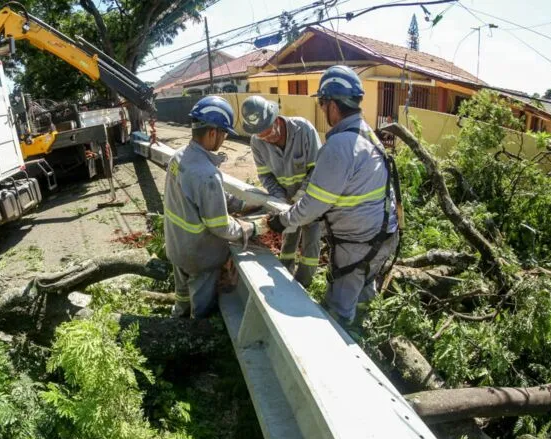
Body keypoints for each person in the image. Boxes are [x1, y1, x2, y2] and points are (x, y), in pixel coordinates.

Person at [266, 66, 400, 323]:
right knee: (363, 291)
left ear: (332, 105)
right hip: (383, 237)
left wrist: (281, 221)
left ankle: (346, 346)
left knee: (337, 310)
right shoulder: (367, 133)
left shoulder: (339, 146)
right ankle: (364, 336)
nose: (322, 109)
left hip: (357, 244)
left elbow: (312, 205)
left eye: (322, 103)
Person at [164, 95, 260, 319]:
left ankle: (177, 318)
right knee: (202, 308)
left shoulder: (179, 157)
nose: (224, 139)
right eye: (224, 133)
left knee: (182, 295)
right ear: (213, 132)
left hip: (177, 245)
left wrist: (242, 204)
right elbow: (221, 227)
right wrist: (249, 229)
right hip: (199, 254)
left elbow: (203, 195)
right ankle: (195, 337)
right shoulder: (207, 174)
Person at [241, 95, 322, 287]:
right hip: (284, 202)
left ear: (276, 119)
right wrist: (279, 199)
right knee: (288, 240)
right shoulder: (257, 142)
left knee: (311, 244)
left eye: (269, 133)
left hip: (310, 198)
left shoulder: (303, 130)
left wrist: (300, 196)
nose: (268, 139)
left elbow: (317, 170)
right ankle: (285, 279)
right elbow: (266, 176)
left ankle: (304, 285)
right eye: (262, 136)